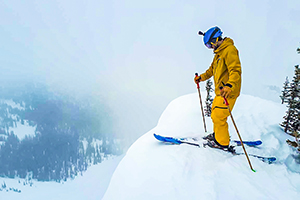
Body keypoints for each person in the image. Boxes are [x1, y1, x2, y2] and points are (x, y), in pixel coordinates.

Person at [194, 26, 242, 150]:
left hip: (228, 91)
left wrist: (230, 85)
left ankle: (222, 143)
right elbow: (211, 70)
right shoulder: (218, 54)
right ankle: (217, 135)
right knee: (215, 114)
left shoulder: (229, 50)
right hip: (220, 91)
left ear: (215, 40)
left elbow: (235, 70)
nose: (210, 48)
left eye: (210, 45)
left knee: (219, 116)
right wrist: (201, 78)